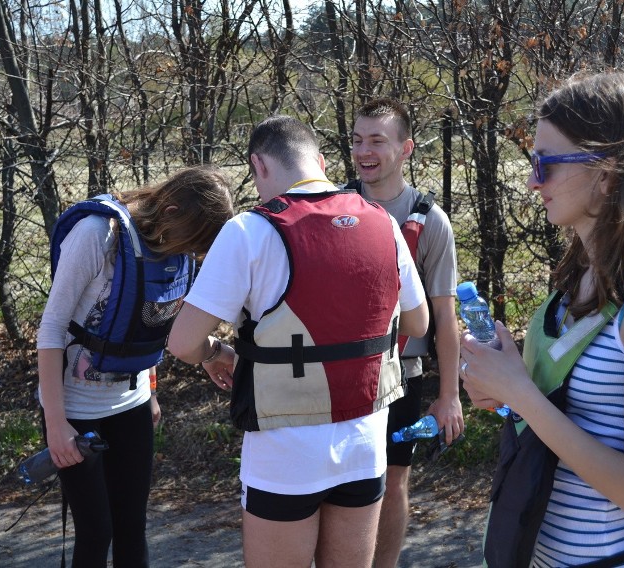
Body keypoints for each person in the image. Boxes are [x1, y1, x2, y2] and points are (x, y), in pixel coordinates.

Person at [459, 72, 624, 567]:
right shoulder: (580, 275)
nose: (534, 181)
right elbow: (563, 416)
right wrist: (502, 388)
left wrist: (522, 394)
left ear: (608, 171)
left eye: (546, 164)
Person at [166, 115, 429, 568]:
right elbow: (419, 322)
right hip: (364, 443)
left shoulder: (250, 230)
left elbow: (183, 343)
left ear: (259, 165)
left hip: (284, 450)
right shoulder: (384, 222)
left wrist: (216, 353)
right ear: (321, 162)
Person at [36, 165, 234, 567]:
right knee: (96, 532)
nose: (190, 254)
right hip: (74, 410)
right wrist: (56, 424)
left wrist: (154, 391)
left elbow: (151, 324)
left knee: (132, 527)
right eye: (192, 243)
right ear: (172, 211)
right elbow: (51, 329)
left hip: (132, 405)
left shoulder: (173, 248)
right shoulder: (97, 235)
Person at [348, 97, 463, 568]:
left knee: (394, 481)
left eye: (377, 140)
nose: (364, 151)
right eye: (357, 140)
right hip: (341, 373)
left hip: (404, 376)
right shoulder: (333, 207)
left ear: (406, 148)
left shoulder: (430, 220)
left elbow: (445, 318)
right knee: (343, 485)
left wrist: (449, 395)